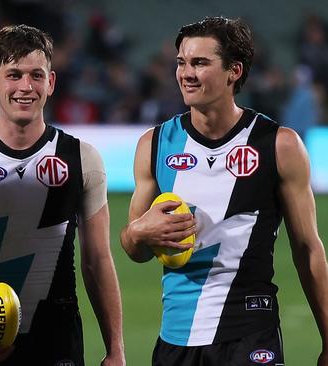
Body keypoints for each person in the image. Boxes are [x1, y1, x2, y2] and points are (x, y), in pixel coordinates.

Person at [120, 16, 328, 366]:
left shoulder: (279, 145)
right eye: (182, 63)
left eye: (200, 63)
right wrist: (139, 231)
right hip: (176, 338)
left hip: (251, 333)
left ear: (234, 71)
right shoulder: (154, 145)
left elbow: (308, 248)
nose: (187, 73)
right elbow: (134, 248)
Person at [0, 24, 125, 366]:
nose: (25, 87)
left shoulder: (82, 158)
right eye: (13, 74)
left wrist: (115, 349)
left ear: (51, 82)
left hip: (59, 340)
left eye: (36, 75)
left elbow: (98, 260)